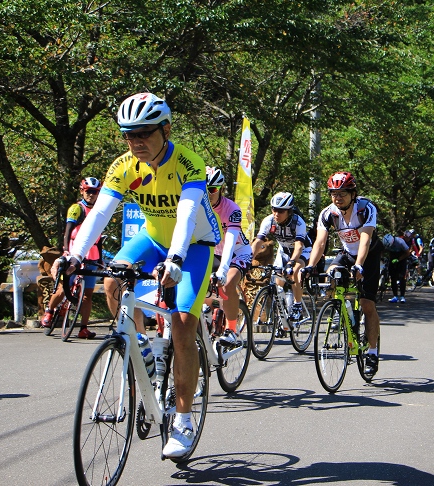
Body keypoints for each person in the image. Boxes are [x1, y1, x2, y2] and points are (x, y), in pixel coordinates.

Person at [55, 93, 221, 459]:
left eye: (144, 133)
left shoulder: (188, 163)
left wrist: (175, 259)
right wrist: (74, 254)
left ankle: (183, 419)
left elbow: (187, 213)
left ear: (166, 129)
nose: (136, 142)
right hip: (151, 237)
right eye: (129, 135)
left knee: (181, 323)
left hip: (193, 244)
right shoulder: (125, 165)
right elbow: (99, 213)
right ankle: (142, 347)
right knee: (112, 281)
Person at [304, 171, 382, 378]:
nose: (337, 198)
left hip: (369, 255)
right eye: (333, 193)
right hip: (347, 253)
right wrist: (310, 265)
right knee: (330, 273)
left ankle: (372, 352)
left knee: (367, 304)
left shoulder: (366, 208)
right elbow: (320, 243)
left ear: (353, 194)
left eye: (343, 194)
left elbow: (365, 239)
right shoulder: (328, 213)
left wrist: (359, 266)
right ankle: (341, 312)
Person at [41, 177, 104, 339]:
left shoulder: (100, 210)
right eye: (88, 191)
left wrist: (101, 259)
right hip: (74, 253)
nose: (91, 195)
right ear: (82, 191)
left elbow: (99, 237)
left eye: (95, 192)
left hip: (92, 256)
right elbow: (67, 232)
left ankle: (83, 328)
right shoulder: (76, 208)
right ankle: (49, 311)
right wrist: (66, 251)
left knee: (87, 295)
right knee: (63, 288)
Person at [204, 167, 253, 344]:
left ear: (221, 189)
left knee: (227, 284)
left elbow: (230, 242)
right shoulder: (196, 207)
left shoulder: (231, 209)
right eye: (203, 189)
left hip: (238, 252)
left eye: (212, 189)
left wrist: (223, 271)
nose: (208, 193)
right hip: (214, 252)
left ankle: (232, 330)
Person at [251, 191, 312, 321]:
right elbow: (258, 242)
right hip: (283, 250)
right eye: (274, 209)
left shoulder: (298, 222)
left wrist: (291, 263)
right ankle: (281, 317)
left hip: (302, 250)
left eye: (281, 211)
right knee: (278, 284)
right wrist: (247, 260)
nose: (276, 214)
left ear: (289, 211)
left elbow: (299, 246)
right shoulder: (269, 221)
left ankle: (297, 305)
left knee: (295, 271)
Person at [381, 233, 411, 303]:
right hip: (392, 258)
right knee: (393, 277)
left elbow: (407, 253)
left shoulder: (400, 242)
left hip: (402, 258)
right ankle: (395, 296)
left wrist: (399, 259)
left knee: (401, 277)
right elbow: (381, 251)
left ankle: (402, 296)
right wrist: (382, 258)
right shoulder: (385, 243)